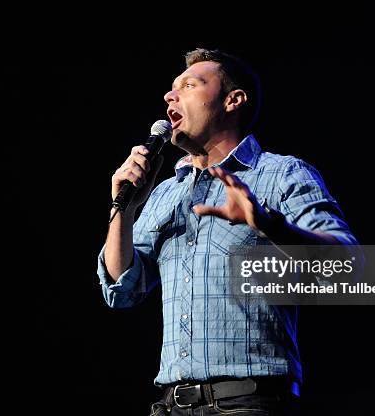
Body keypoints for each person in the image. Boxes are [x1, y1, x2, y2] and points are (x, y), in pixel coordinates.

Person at [97, 48, 358, 415]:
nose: (170, 96)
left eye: (189, 85)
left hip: (248, 403)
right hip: (170, 406)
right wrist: (122, 208)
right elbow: (121, 289)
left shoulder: (280, 175)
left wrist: (267, 223)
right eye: (172, 89)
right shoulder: (165, 193)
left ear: (232, 101)